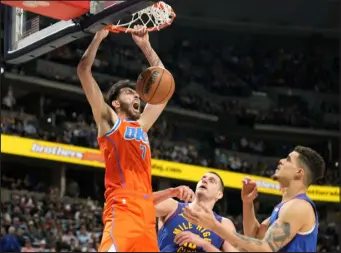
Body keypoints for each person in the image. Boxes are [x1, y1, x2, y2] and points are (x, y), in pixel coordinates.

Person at [77, 26, 184, 252]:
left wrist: (145, 46)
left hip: (146, 215)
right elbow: (84, 70)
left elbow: (164, 82)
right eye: (129, 92)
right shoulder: (108, 121)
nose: (136, 95)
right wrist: (99, 36)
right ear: (116, 103)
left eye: (136, 93)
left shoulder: (142, 125)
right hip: (122, 209)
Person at [183, 146, 325, 252]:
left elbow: (266, 247)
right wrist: (247, 203)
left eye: (287, 160)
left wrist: (214, 225)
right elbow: (254, 237)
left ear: (299, 172)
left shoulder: (299, 206)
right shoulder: (286, 207)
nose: (281, 161)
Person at [157, 172, 238, 252]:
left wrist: (205, 245)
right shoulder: (172, 206)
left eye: (211, 181)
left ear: (219, 194)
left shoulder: (224, 224)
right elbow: (144, 206)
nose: (204, 180)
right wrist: (170, 192)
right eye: (203, 178)